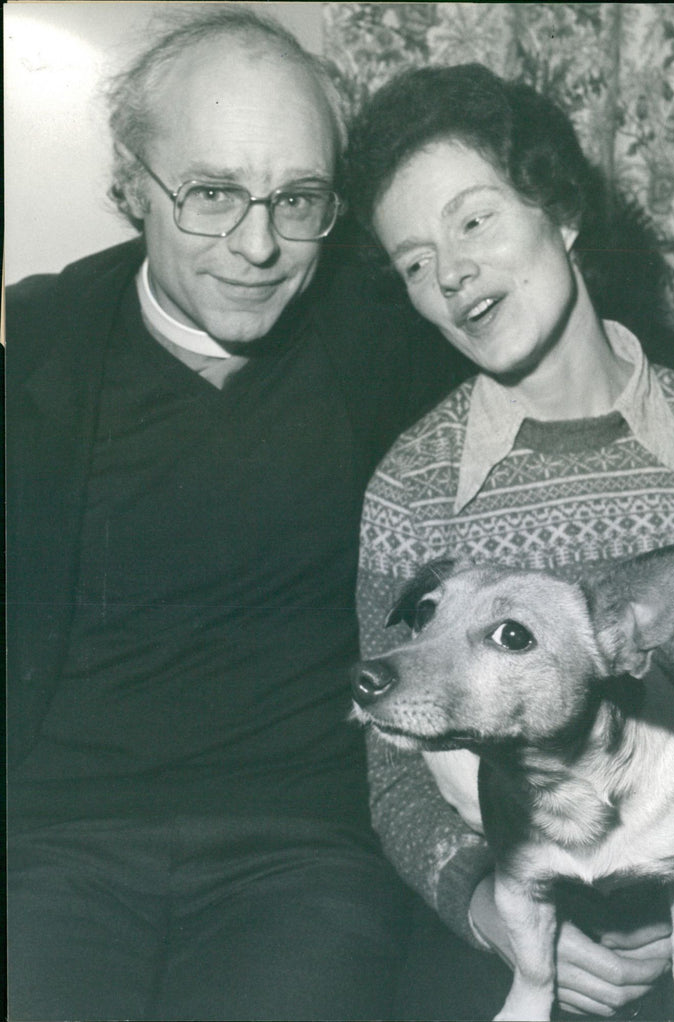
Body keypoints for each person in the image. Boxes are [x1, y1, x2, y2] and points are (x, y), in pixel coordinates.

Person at [5, 9, 470, 1021]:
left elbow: (582, 356)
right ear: (133, 181)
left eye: (296, 199)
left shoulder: (387, 347)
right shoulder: (35, 352)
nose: (257, 246)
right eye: (213, 193)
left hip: (299, 857)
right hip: (45, 851)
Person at [347, 64, 674, 1020]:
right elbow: (393, 771)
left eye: (473, 221)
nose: (453, 272)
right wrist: (488, 909)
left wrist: (668, 893)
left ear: (560, 210)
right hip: (510, 915)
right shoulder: (409, 487)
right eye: (416, 262)